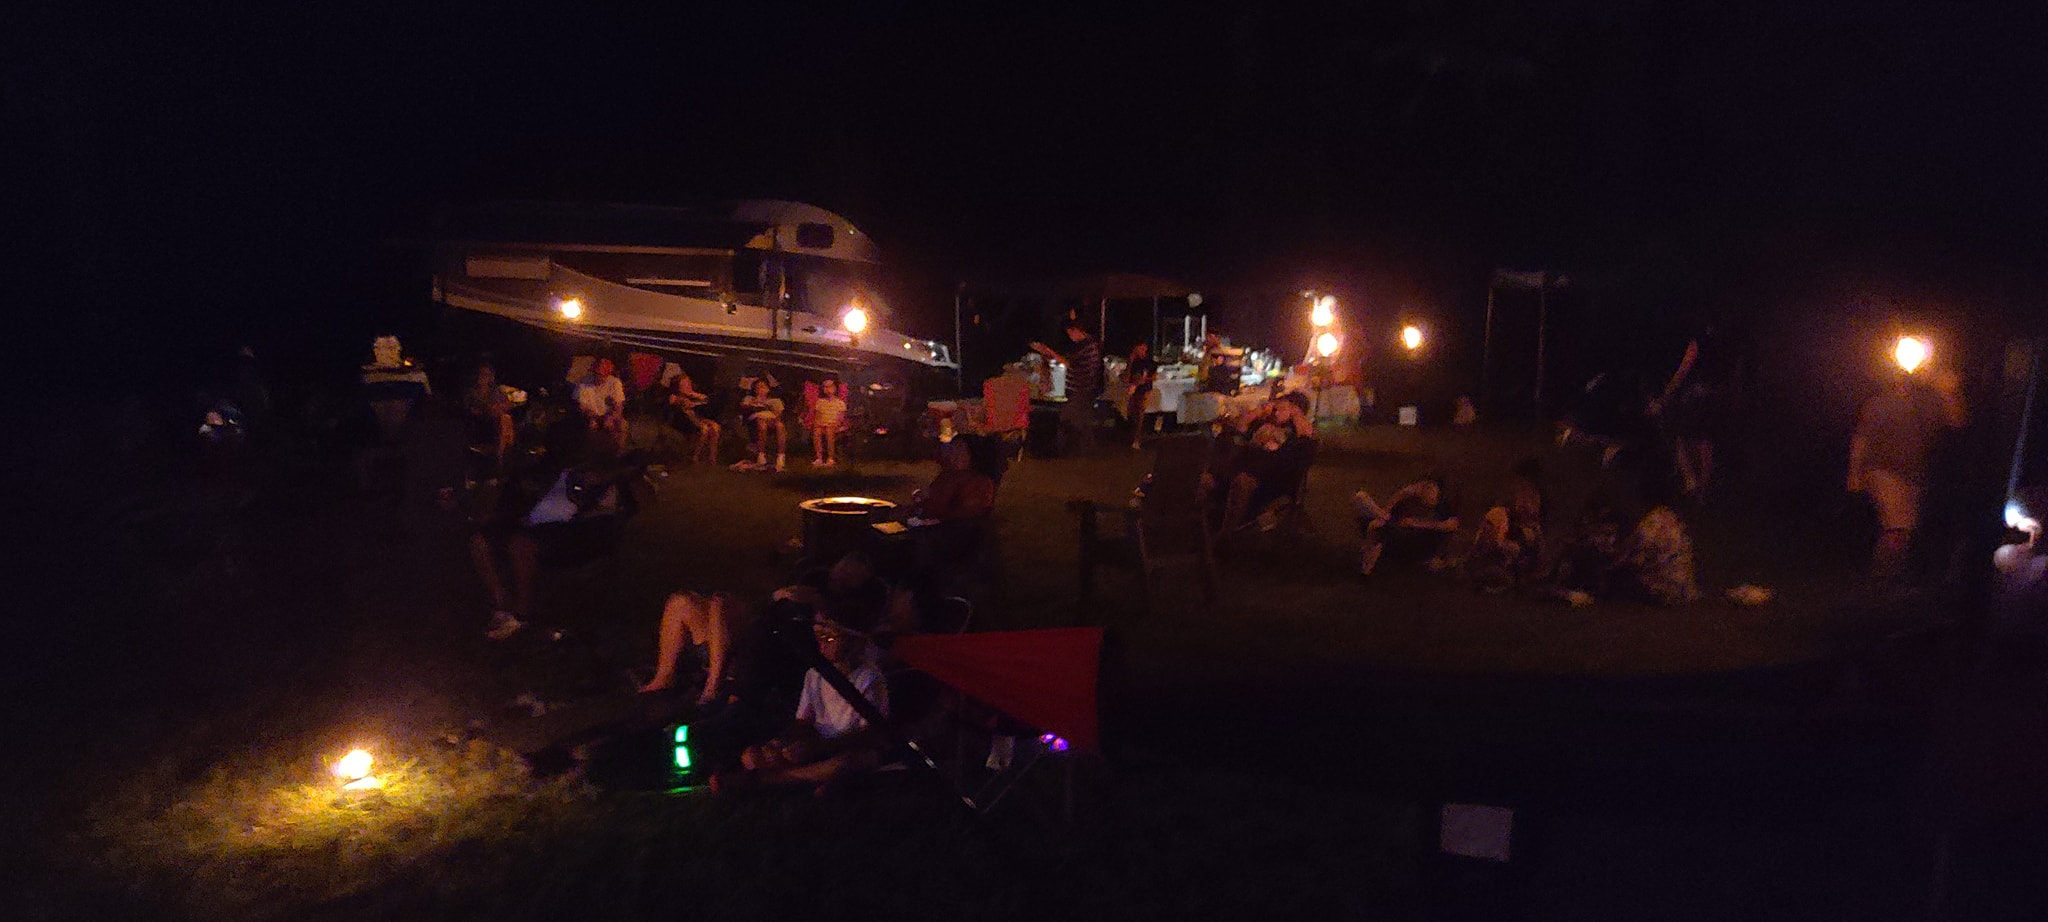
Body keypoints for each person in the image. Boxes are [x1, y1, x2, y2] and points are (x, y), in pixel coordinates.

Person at [710, 602, 891, 797]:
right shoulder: (815, 674)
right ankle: (805, 779)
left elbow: (869, 733)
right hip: (816, 745)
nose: (821, 643)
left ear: (855, 640)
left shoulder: (869, 678)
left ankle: (768, 781)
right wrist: (782, 743)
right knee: (752, 756)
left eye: (829, 637)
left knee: (849, 763)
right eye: (817, 636)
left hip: (848, 747)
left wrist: (819, 747)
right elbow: (803, 721)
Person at [1847, 366, 1966, 581]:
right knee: (1898, 525)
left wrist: (1948, 393)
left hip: (1915, 474)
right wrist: (1854, 474)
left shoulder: (1930, 403)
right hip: (1882, 470)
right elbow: (1861, 439)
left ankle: (1892, 577)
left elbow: (1957, 421)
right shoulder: (1879, 402)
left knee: (1907, 528)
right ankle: (1883, 579)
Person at [1651, 322, 1738, 504]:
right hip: (1715, 396)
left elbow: (1687, 364)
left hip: (1697, 395)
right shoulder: (1729, 345)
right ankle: (1705, 485)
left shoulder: (1701, 340)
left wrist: (1671, 388)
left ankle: (1691, 480)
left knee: (1681, 434)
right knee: (1704, 440)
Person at [1213, 390, 1318, 533]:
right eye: (1275, 408)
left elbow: (1306, 441)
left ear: (1295, 410)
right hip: (1241, 468)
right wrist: (1261, 410)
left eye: (1280, 409)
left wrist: (1295, 414)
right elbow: (1240, 427)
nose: (1275, 412)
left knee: (1242, 481)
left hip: (1268, 480)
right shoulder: (1264, 424)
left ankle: (1226, 535)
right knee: (1208, 478)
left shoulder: (1297, 434)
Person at [1465, 458, 1546, 593]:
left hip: (1507, 559)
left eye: (1532, 498)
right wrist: (1511, 547)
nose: (1529, 505)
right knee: (1504, 577)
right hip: (1487, 561)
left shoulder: (1528, 527)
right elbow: (1491, 545)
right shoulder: (1499, 514)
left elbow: (1537, 551)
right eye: (1525, 496)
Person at [1615, 478, 1701, 605]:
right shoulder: (1674, 521)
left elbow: (1630, 554)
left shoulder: (1651, 522)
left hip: (1659, 587)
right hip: (1683, 589)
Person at [1354, 474, 1460, 577]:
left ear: (1439, 492)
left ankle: (1365, 572)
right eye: (1424, 487)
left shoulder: (1442, 509)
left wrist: (1416, 523)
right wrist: (1389, 508)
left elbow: (1450, 525)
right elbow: (1402, 495)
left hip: (1411, 541)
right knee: (1361, 498)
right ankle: (1383, 517)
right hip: (1397, 528)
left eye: (1430, 488)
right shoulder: (1414, 501)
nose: (1424, 490)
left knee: (1375, 527)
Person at [1031, 319, 1103, 455]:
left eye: (1070, 333)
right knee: (1081, 419)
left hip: (1082, 387)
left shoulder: (1086, 347)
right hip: (1082, 387)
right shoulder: (1088, 345)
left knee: (1069, 418)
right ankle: (1085, 449)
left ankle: (1074, 449)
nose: (1070, 337)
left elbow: (1068, 362)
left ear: (1076, 330)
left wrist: (1049, 352)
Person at [654, 365, 722, 465]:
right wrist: (688, 397)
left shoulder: (692, 395)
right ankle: (695, 456)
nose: (687, 386)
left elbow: (705, 399)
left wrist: (694, 395)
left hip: (696, 418)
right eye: (684, 384)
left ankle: (712, 457)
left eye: (688, 384)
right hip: (682, 420)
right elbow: (681, 403)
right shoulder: (673, 396)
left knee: (715, 427)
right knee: (704, 429)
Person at [734, 378, 788, 472]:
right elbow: (744, 408)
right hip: (754, 422)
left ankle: (780, 457)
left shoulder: (774, 401)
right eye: (758, 388)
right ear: (754, 390)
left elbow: (778, 414)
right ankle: (761, 455)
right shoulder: (749, 399)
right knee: (762, 423)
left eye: (763, 387)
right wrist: (754, 403)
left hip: (771, 420)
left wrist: (767, 408)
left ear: (768, 389)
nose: (761, 390)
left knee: (780, 426)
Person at [1125, 342, 1158, 450]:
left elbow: (1153, 376)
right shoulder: (1133, 361)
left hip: (1143, 390)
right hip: (1133, 390)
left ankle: (1137, 438)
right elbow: (1127, 376)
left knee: (1139, 414)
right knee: (1132, 413)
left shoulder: (1149, 362)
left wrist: (1143, 380)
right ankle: (1133, 436)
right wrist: (1130, 361)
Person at [811, 377, 848, 467]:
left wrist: (833, 424)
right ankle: (819, 458)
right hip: (822, 424)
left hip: (834, 425)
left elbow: (840, 419)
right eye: (825, 387)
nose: (828, 389)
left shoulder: (840, 403)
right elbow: (817, 417)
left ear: (834, 388)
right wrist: (818, 424)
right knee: (817, 431)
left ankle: (830, 458)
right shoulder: (820, 402)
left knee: (829, 430)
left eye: (830, 387)